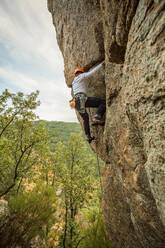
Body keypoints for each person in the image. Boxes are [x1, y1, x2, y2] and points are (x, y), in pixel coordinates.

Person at [71, 61, 106, 143]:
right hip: (81, 98)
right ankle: (97, 116)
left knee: (85, 118)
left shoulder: (73, 82)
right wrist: (101, 64)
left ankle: (88, 136)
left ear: (75, 74)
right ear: (80, 73)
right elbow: (91, 73)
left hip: (75, 102)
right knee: (103, 102)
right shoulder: (81, 76)